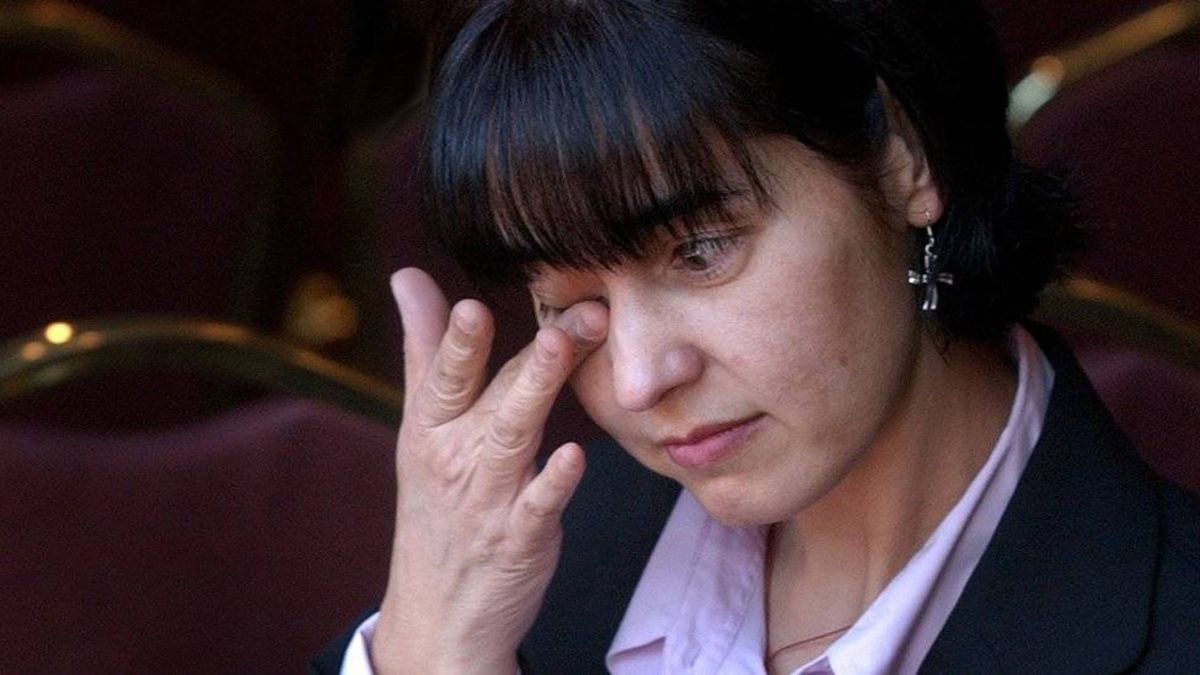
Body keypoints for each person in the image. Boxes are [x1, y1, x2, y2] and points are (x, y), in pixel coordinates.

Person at [313, 0, 1200, 672]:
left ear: (904, 157)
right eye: (566, 302)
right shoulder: (516, 572)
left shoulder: (1169, 620)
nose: (637, 380)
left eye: (700, 251)